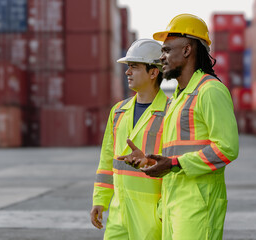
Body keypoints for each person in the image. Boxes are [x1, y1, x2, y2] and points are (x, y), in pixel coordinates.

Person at [118, 14, 239, 239]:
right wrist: (150, 160)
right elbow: (178, 153)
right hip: (173, 204)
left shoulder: (210, 91)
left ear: (186, 50)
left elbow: (227, 148)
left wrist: (174, 164)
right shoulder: (177, 98)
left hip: (199, 205)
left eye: (166, 50)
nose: (161, 57)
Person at [90, 38, 169, 239]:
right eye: (128, 67)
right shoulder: (118, 111)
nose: (127, 72)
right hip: (119, 211)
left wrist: (163, 211)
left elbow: (175, 163)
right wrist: (100, 200)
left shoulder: (171, 111)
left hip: (151, 214)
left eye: (134, 67)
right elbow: (107, 161)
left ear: (153, 72)